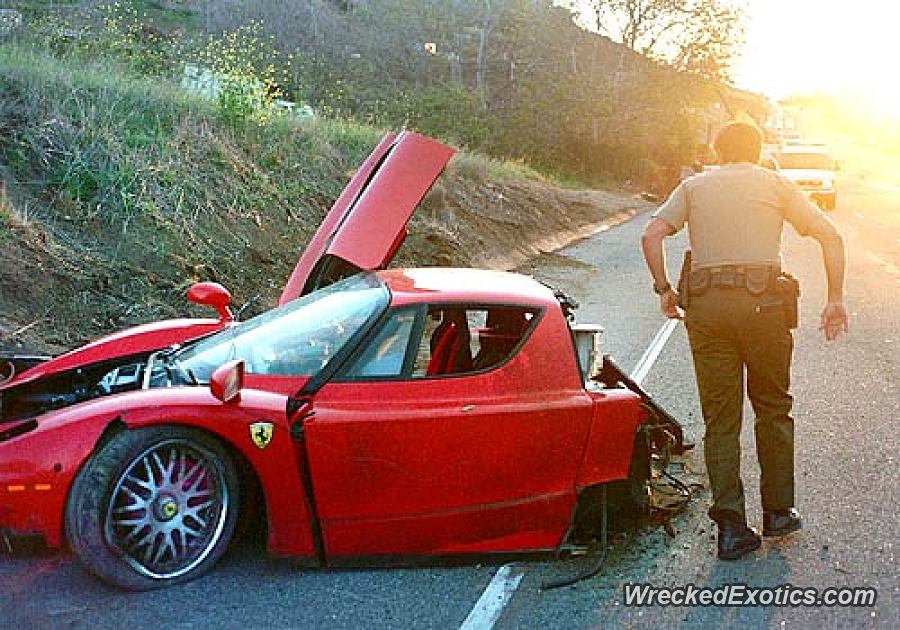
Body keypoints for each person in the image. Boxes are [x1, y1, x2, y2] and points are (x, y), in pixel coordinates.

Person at [640, 121, 849, 561]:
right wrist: (834, 299)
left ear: (718, 152)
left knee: (721, 420)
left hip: (708, 313)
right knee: (773, 407)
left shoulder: (693, 186)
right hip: (764, 311)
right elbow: (830, 236)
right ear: (756, 152)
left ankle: (732, 528)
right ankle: (778, 512)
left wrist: (665, 290)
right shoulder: (776, 184)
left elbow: (652, 234)